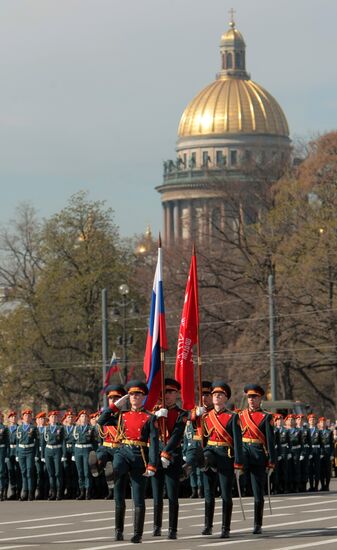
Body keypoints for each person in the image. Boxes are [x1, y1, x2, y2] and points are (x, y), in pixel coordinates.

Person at [109, 380, 159, 543]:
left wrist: (152, 464)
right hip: (123, 451)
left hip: (140, 456)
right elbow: (102, 421)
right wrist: (115, 406)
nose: (134, 397)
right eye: (131, 394)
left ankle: (137, 533)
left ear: (143, 397)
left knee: (138, 497)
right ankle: (118, 530)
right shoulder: (121, 415)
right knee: (118, 489)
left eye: (138, 394)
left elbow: (154, 443)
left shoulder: (150, 418)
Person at [201, 381, 243, 538]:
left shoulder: (232, 417)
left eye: (220, 394)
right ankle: (208, 525)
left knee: (226, 494)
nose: (216, 396)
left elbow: (238, 442)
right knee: (208, 493)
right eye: (214, 394)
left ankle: (225, 527)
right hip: (209, 455)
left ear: (226, 398)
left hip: (226, 456)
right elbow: (203, 439)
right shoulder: (206, 416)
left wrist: (238, 464)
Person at [151, 378, 188, 539]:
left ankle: (172, 528)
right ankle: (156, 526)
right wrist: (155, 417)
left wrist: (166, 452)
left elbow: (176, 435)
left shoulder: (181, 414)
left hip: (173, 456)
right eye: (165, 391)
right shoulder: (155, 412)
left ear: (177, 394)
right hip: (156, 455)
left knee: (172, 494)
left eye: (171, 392)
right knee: (157, 494)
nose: (167, 395)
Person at [239, 384, 275, 535]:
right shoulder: (240, 415)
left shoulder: (266, 417)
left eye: (254, 397)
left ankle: (257, 523)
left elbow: (270, 440)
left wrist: (271, 461)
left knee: (258, 493)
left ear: (260, 399)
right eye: (249, 397)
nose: (251, 400)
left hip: (258, 455)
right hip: (243, 453)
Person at [90, 384, 126, 500]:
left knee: (114, 469)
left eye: (116, 399)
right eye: (111, 398)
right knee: (99, 457)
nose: (113, 401)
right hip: (105, 446)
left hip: (119, 448)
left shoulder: (125, 416)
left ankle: (114, 491)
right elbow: (99, 423)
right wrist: (111, 409)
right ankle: (97, 467)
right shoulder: (106, 415)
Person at [73, 410, 97, 500]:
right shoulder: (76, 428)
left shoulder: (91, 429)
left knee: (87, 472)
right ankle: (82, 491)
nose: (84, 418)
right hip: (78, 450)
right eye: (82, 417)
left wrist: (94, 453)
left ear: (88, 419)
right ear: (79, 419)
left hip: (87, 450)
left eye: (86, 417)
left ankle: (88, 492)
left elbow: (94, 442)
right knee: (80, 472)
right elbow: (73, 442)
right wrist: (73, 453)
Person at [42, 410, 65, 500]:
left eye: (55, 417)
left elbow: (63, 441)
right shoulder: (46, 429)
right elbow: (43, 442)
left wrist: (63, 454)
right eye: (52, 417)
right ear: (49, 419)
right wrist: (42, 455)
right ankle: (53, 492)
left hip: (57, 450)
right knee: (51, 473)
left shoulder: (60, 428)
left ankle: (59, 493)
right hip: (48, 450)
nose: (53, 418)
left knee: (58, 472)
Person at [16, 408, 39, 501]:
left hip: (30, 450)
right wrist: (17, 454)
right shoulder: (19, 428)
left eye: (29, 416)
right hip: (21, 451)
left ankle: (30, 492)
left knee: (30, 472)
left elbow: (37, 442)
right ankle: (24, 492)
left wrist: (37, 454)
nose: (27, 417)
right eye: (25, 416)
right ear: (23, 417)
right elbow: (17, 441)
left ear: (31, 418)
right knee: (24, 472)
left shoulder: (33, 428)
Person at [62, 409, 78, 499]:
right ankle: (68, 490)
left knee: (74, 471)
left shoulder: (76, 428)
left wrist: (74, 453)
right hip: (65, 451)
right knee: (66, 471)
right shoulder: (62, 428)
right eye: (69, 417)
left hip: (74, 450)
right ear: (66, 419)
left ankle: (74, 490)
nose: (70, 419)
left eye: (72, 417)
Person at [285, 414, 302, 492]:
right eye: (289, 420)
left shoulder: (298, 431)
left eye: (292, 420)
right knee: (288, 469)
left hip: (296, 451)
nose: (291, 421)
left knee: (296, 469)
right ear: (286, 421)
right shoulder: (285, 430)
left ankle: (296, 486)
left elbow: (301, 443)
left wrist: (301, 453)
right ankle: (288, 486)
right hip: (287, 451)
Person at [6, 410, 20, 500]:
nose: (13, 418)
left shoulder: (20, 428)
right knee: (10, 471)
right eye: (11, 417)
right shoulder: (6, 429)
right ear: (9, 419)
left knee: (18, 471)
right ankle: (13, 491)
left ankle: (19, 491)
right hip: (9, 451)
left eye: (15, 417)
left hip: (17, 450)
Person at [296, 414, 312, 492]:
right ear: (296, 421)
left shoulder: (306, 430)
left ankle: (304, 485)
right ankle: (298, 486)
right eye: (299, 419)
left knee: (305, 469)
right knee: (297, 469)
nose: (300, 421)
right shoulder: (294, 430)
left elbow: (310, 442)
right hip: (297, 451)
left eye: (302, 420)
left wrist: (310, 452)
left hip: (305, 451)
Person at [318, 416, 334, 491]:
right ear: (319, 423)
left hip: (328, 452)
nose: (323, 423)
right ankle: (322, 485)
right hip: (321, 452)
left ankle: (327, 486)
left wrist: (332, 454)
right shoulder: (318, 432)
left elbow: (332, 444)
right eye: (321, 422)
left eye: (324, 422)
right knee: (321, 470)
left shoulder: (329, 432)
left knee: (328, 470)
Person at [35, 411, 48, 499]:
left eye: (43, 419)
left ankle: (46, 492)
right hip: (37, 454)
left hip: (46, 453)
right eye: (40, 419)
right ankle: (39, 492)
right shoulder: (34, 430)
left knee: (46, 472)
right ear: (37, 420)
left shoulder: (48, 429)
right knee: (38, 473)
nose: (41, 420)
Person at [308, 413, 322, 491]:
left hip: (317, 451)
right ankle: (311, 486)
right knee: (310, 469)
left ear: (315, 421)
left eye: (313, 420)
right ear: (308, 421)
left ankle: (316, 486)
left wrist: (321, 453)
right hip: (309, 451)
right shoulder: (306, 430)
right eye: (310, 420)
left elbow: (321, 443)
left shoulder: (318, 431)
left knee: (317, 469)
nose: (312, 421)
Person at [0, 410, 9, 501]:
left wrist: (6, 455)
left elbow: (7, 442)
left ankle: (2, 491)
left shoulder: (4, 428)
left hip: (1, 450)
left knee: (1, 471)